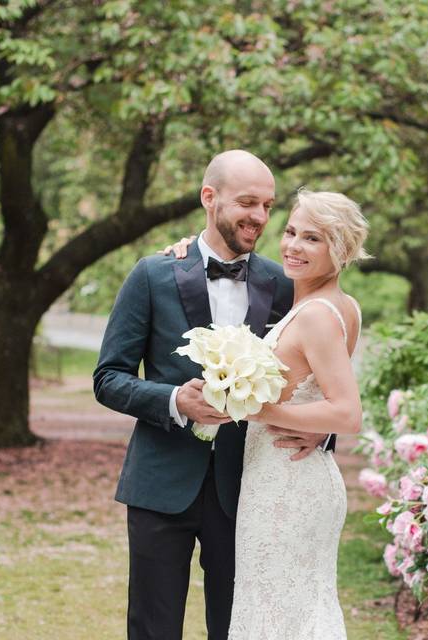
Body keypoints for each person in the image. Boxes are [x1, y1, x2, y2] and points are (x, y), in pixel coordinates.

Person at [93, 150, 331, 640]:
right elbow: (109, 377)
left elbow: (322, 378)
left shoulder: (283, 285)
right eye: (248, 202)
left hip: (249, 487)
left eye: (268, 206)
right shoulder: (151, 275)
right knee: (153, 628)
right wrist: (175, 400)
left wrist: (322, 432)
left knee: (238, 627)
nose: (260, 217)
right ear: (209, 198)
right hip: (160, 483)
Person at [164, 188, 369, 639]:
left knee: (276, 610)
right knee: (293, 606)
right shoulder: (341, 306)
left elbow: (346, 412)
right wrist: (184, 250)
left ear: (340, 248)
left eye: (313, 239)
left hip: (285, 482)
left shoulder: (315, 314)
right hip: (292, 471)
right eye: (292, 231)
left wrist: (254, 406)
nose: (294, 246)